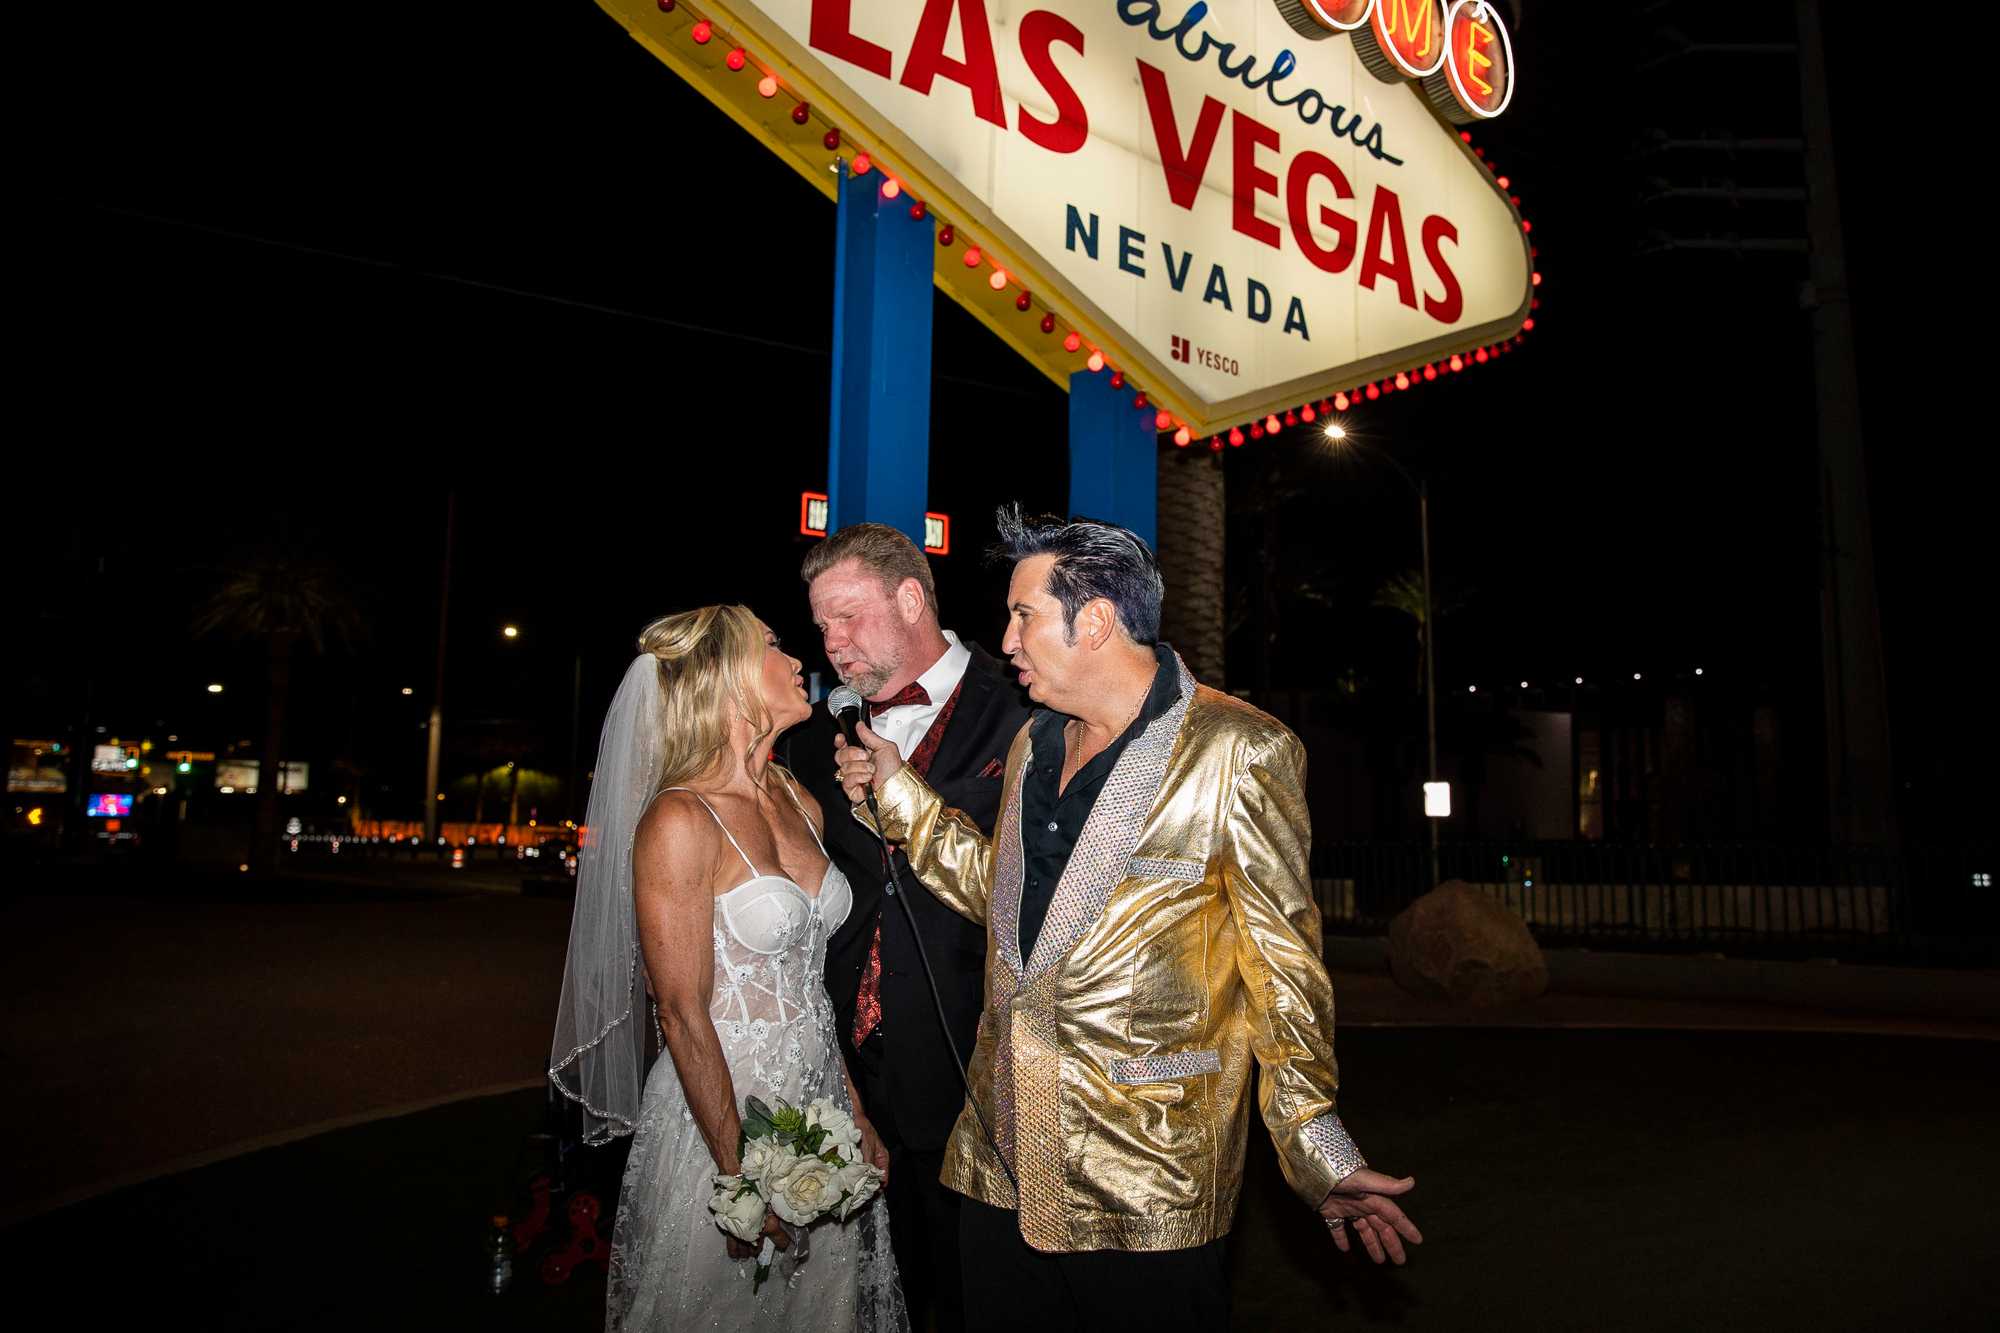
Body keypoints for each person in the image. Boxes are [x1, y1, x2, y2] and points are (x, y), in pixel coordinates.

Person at [836, 509, 1424, 1330]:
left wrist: (1314, 1141)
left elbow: (1284, 972)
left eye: (1023, 614)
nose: (1005, 640)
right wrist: (895, 793)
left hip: (1144, 1183)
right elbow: (998, 897)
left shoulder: (1237, 750)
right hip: (997, 1169)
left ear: (1098, 620)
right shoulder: (1037, 745)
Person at [548, 605, 909, 1332]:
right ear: (727, 678)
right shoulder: (679, 820)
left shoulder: (797, 799)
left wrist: (856, 1112)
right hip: (719, 1109)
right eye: (772, 645)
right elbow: (680, 1011)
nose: (793, 656)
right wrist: (740, 1171)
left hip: (820, 1104)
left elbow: (809, 987)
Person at [779, 523, 1030, 1333]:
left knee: (977, 1301)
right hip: (852, 1080)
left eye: (848, 617)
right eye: (821, 626)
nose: (833, 643)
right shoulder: (818, 737)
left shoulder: (1027, 708)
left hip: (981, 1075)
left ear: (911, 598)